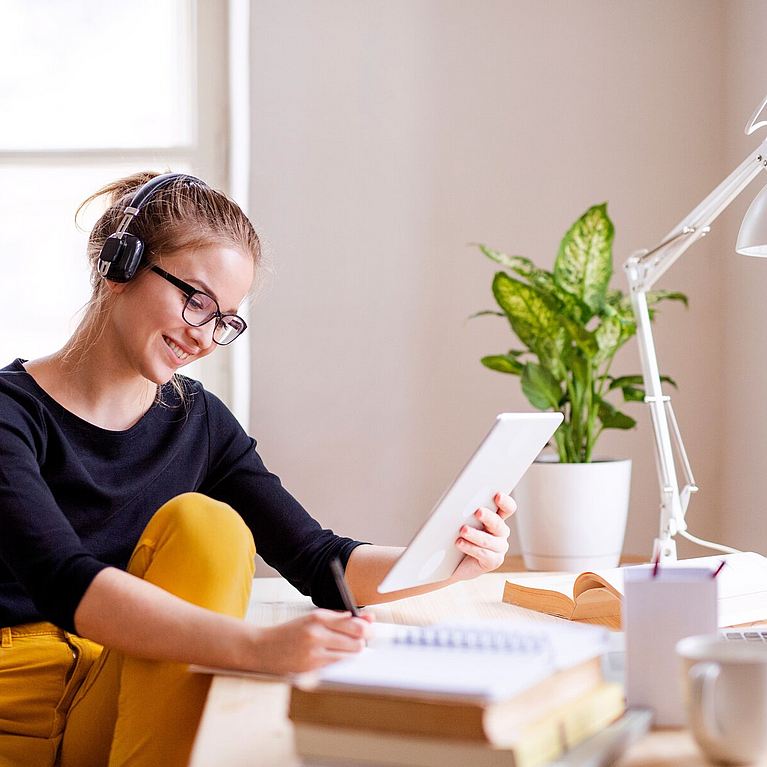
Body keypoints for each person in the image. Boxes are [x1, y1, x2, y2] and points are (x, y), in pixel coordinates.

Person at [0, 172, 516, 767]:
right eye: (196, 299)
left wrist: (451, 557)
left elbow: (321, 561)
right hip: (12, 706)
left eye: (224, 319)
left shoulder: (198, 421)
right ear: (120, 266)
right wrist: (257, 647)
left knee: (209, 526)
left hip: (112, 697)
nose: (205, 335)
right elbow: (65, 582)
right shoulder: (10, 413)